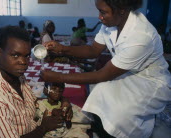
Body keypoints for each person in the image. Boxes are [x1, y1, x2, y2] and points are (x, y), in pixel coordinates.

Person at [40, 0, 171, 137]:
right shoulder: (112, 23)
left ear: (121, 9)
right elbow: (93, 50)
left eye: (103, 12)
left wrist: (57, 77)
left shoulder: (141, 36)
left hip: (150, 81)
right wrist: (62, 49)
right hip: (128, 72)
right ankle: (103, 129)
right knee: (99, 92)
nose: (99, 16)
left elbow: (102, 75)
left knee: (122, 113)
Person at [0, 26, 72, 138]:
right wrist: (43, 127)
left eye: (27, 56)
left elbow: (30, 102)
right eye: (15, 55)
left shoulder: (18, 77)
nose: (24, 62)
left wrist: (63, 101)